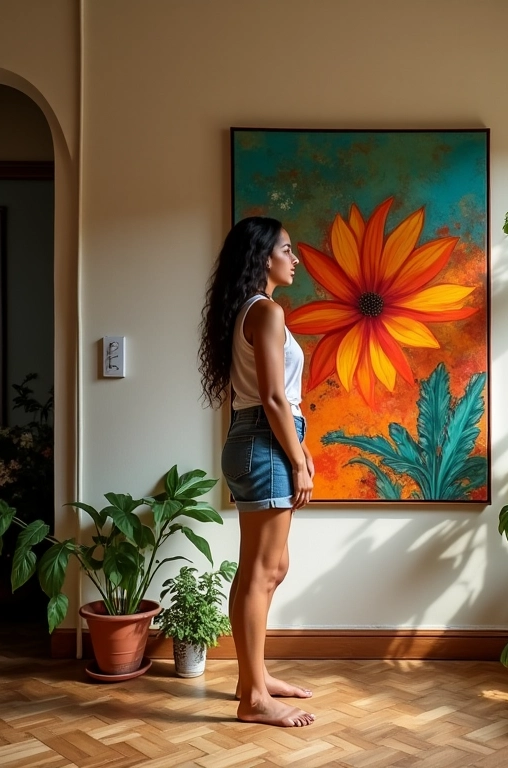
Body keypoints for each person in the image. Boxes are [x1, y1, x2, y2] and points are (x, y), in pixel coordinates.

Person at [199, 216, 315, 727]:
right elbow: (272, 397)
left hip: (257, 438)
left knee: (264, 568)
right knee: (262, 571)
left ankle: (254, 678)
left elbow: (263, 398)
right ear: (264, 256)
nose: (295, 259)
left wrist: (300, 451)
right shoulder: (267, 311)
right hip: (266, 441)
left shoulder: (247, 309)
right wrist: (296, 458)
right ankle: (253, 699)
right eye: (287, 250)